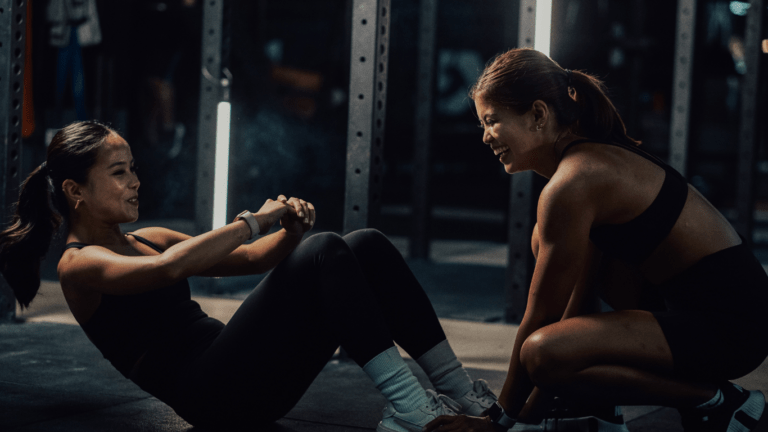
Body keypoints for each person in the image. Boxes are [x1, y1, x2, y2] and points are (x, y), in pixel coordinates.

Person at [0, 121, 498, 431]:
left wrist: (289, 233)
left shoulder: (148, 235)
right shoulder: (77, 263)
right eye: (118, 172)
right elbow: (169, 268)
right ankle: (413, 408)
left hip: (248, 377)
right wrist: (253, 221)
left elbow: (252, 261)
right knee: (328, 249)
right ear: (75, 191)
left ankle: (460, 393)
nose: (135, 181)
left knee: (362, 242)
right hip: (211, 396)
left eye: (133, 168)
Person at [424, 48, 768, 432]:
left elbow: (542, 320)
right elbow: (577, 312)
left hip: (733, 328)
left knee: (540, 351)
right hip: (701, 314)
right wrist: (531, 414)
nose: (486, 137)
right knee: (545, 263)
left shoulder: (575, 182)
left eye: (492, 121)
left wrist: (498, 421)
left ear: (538, 115)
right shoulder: (586, 166)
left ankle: (720, 403)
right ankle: (598, 407)